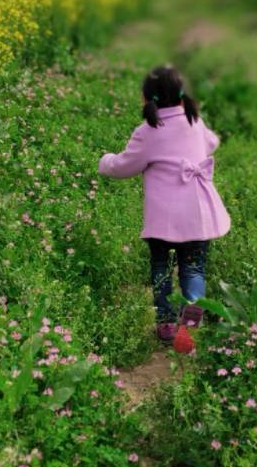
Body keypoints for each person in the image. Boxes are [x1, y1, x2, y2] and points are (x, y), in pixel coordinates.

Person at [97, 64, 231, 342]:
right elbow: (213, 142)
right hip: (197, 214)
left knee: (161, 266)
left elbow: (124, 165)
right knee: (193, 267)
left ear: (147, 98)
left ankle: (167, 323)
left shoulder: (148, 130)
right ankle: (193, 307)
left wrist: (105, 161)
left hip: (163, 219)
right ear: (182, 95)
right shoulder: (195, 122)